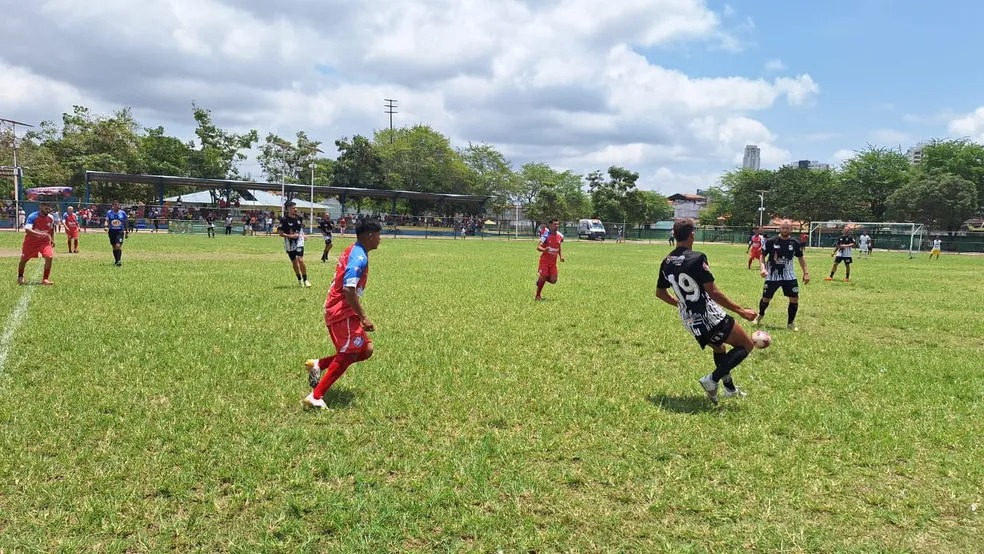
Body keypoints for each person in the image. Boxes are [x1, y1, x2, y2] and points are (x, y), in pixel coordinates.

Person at [656, 219, 757, 404]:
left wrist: (681, 304)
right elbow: (713, 292)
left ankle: (730, 389)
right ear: (692, 234)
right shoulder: (697, 257)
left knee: (720, 348)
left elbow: (660, 293)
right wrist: (741, 311)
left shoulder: (667, 261)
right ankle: (711, 380)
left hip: (690, 320)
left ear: (675, 235)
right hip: (709, 315)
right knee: (746, 345)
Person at [303, 219, 384, 409]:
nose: (380, 239)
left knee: (366, 350)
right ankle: (316, 396)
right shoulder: (359, 257)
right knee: (348, 354)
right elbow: (348, 289)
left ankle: (319, 364)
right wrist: (363, 317)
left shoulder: (354, 249)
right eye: (379, 235)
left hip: (343, 309)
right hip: (341, 310)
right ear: (370, 235)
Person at [757, 219, 810, 331]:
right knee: (766, 298)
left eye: (787, 228)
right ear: (780, 228)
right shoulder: (771, 241)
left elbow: (801, 258)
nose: (785, 230)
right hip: (772, 275)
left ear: (791, 229)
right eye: (783, 227)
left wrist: (806, 273)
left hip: (789, 276)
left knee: (794, 299)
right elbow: (762, 256)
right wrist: (762, 268)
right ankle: (760, 315)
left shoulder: (795, 243)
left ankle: (790, 323)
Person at [17, 203, 56, 286]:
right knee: (24, 260)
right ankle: (20, 276)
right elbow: (27, 229)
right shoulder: (32, 216)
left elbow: (52, 229)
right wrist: (40, 234)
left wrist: (52, 239)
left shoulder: (51, 217)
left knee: (49, 257)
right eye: (46, 207)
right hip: (31, 242)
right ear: (41, 206)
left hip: (44, 242)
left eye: (49, 207)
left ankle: (45, 279)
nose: (48, 209)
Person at [279, 201, 310, 287]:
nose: (295, 209)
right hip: (289, 243)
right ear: (288, 209)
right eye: (293, 208)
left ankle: (306, 279)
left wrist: (303, 235)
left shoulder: (299, 218)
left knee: (300, 259)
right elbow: (280, 233)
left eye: (296, 207)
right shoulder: (284, 220)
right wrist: (291, 236)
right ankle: (299, 280)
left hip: (299, 240)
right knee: (294, 262)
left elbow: (300, 230)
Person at [535, 218, 565, 301]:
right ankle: (537, 296)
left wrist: (561, 256)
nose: (557, 226)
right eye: (555, 224)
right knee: (544, 276)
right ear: (550, 225)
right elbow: (538, 247)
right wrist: (544, 249)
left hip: (553, 263)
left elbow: (558, 246)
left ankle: (541, 279)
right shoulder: (545, 236)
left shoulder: (559, 236)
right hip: (544, 262)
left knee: (553, 280)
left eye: (558, 224)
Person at [104, 201, 128, 267]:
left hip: (120, 231)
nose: (117, 206)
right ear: (113, 206)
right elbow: (107, 220)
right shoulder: (109, 213)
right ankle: (116, 260)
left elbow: (125, 222)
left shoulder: (122, 213)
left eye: (118, 205)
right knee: (114, 247)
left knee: (118, 246)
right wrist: (105, 226)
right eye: (116, 205)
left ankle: (119, 260)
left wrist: (127, 231)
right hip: (112, 231)